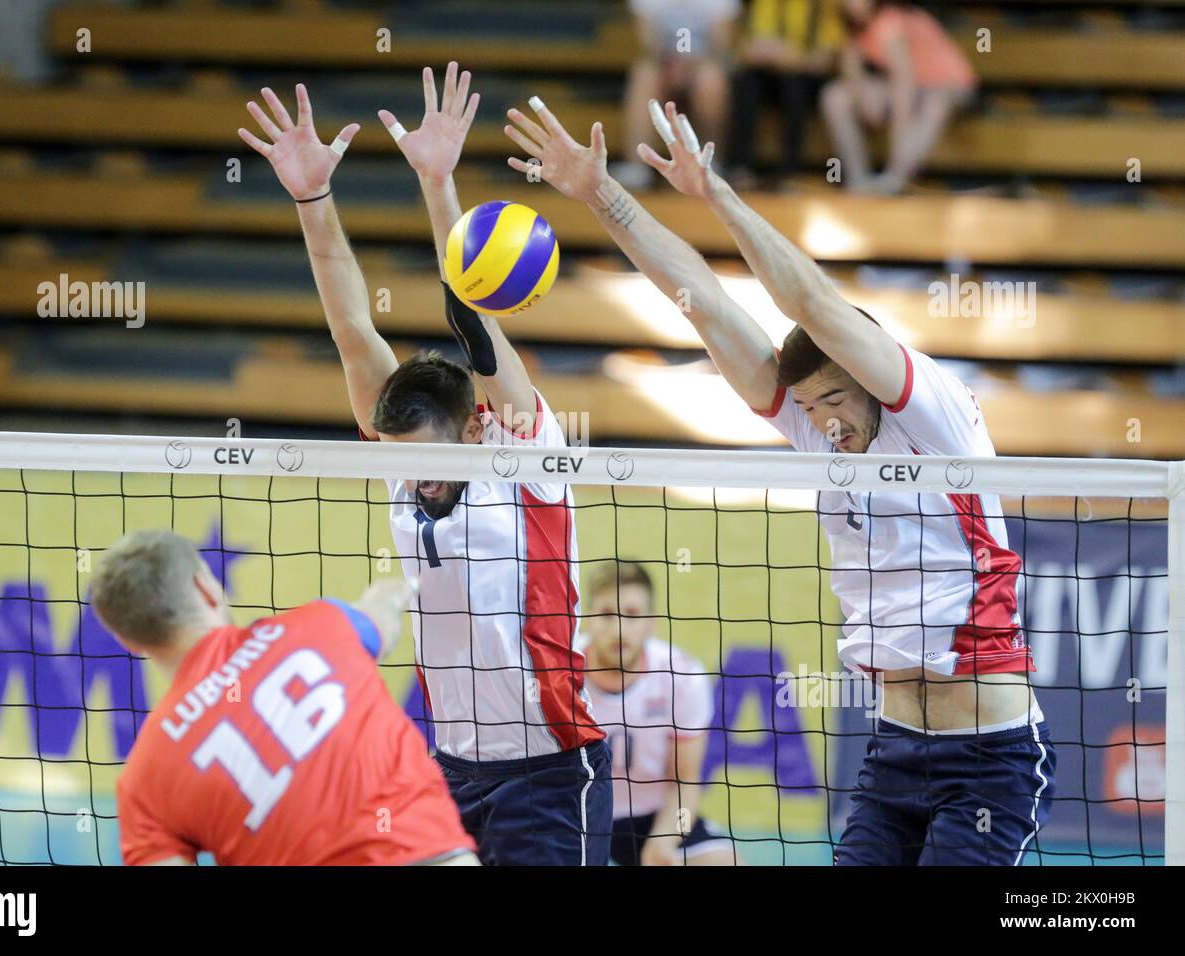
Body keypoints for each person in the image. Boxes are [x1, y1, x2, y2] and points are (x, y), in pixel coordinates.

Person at [503, 97, 1054, 866]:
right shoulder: (814, 431)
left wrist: (715, 194)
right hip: (895, 753)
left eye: (833, 398)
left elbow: (813, 305)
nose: (821, 420)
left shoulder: (932, 417)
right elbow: (704, 305)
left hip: (989, 760)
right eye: (806, 406)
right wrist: (603, 195)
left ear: (866, 374)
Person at [238, 67, 611, 866]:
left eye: (428, 464)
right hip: (447, 770)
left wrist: (439, 186)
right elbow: (348, 325)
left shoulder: (524, 457)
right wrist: (312, 199)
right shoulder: (404, 459)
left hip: (550, 772)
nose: (414, 479)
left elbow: (473, 319)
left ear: (474, 429)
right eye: (402, 466)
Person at [95, 530, 477, 866]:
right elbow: (381, 617)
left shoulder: (142, 782)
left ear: (128, 641)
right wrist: (399, 589)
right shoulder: (322, 625)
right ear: (205, 588)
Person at [581, 562, 739, 866]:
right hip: (577, 815)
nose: (618, 628)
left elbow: (686, 781)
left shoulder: (681, 675)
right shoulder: (561, 674)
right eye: (606, 614)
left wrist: (664, 841)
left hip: (652, 818)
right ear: (587, 619)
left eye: (632, 614)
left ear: (652, 622)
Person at [821, 0, 977, 194]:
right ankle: (858, 181)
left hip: (949, 83)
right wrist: (864, 98)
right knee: (835, 96)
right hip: (916, 85)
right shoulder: (848, 23)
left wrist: (899, 141)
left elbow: (904, 81)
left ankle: (896, 178)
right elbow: (851, 67)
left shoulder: (890, 19)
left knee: (934, 103)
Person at [612, 0, 739, 190]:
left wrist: (689, 62)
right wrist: (671, 62)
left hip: (704, 62)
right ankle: (636, 164)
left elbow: (719, 44)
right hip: (663, 62)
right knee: (644, 74)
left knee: (710, 80)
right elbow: (648, 43)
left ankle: (712, 161)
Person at [726, 0, 846, 189]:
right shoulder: (765, 4)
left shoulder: (822, 7)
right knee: (746, 82)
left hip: (808, 81)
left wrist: (792, 58)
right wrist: (778, 57)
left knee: (794, 86)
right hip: (770, 76)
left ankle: (790, 171)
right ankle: (740, 168)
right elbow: (750, 49)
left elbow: (825, 60)